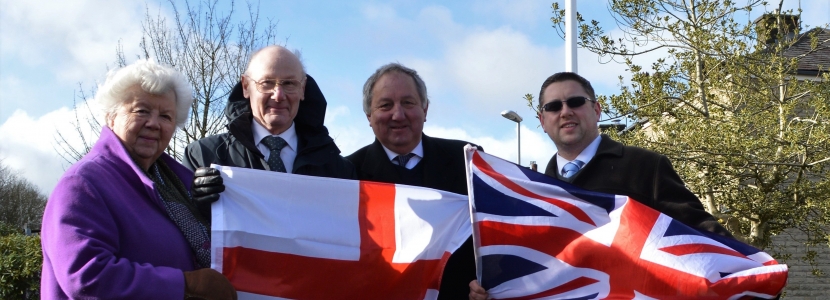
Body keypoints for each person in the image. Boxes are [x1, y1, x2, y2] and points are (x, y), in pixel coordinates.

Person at [468, 71, 732, 299]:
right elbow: (521, 265)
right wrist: (490, 288)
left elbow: (699, 235)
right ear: (542, 122)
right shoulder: (529, 191)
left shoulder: (645, 167)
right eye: (553, 107)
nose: (565, 112)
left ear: (596, 110)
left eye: (575, 102)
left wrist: (749, 269)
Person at [41, 60, 236, 299]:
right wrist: (186, 284)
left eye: (166, 116)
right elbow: (86, 276)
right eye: (141, 110)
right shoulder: (82, 183)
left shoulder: (176, 184)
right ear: (111, 117)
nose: (154, 123)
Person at [347, 63, 478, 300]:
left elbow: (492, 237)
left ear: (425, 109)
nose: (398, 114)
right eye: (386, 105)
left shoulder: (468, 161)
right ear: (369, 116)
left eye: (408, 103)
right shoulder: (348, 174)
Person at [183, 46, 355, 212]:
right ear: (245, 87)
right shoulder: (203, 156)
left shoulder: (340, 171)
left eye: (289, 83)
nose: (279, 95)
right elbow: (182, 230)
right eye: (267, 83)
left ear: (302, 89)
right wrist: (194, 202)